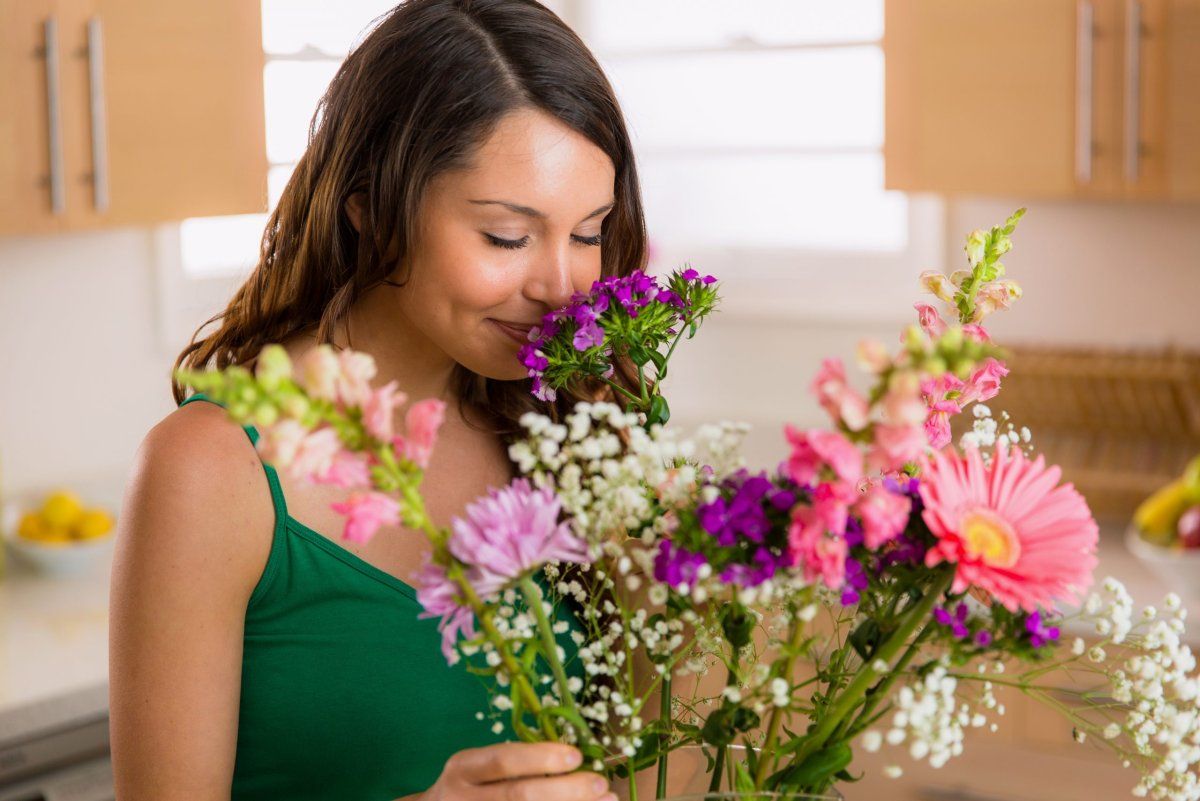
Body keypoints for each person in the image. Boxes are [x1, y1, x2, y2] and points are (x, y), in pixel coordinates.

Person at [107, 1, 651, 798]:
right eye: (506, 236)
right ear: (370, 204)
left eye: (588, 232)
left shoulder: (564, 428)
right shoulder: (210, 471)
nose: (561, 288)